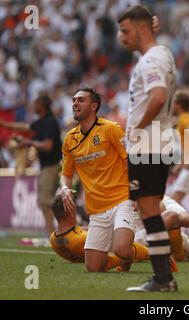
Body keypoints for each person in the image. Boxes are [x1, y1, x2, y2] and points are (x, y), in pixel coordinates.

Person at [117, 5, 177, 292]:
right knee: (150, 209)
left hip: (148, 143)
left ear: (141, 29)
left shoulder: (149, 61)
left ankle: (163, 279)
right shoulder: (162, 53)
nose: (120, 36)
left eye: (125, 30)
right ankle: (164, 278)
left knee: (149, 210)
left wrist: (137, 129)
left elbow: (157, 96)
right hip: (160, 141)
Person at [60, 86, 146, 273]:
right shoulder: (69, 139)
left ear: (94, 106)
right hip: (96, 208)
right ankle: (127, 259)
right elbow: (66, 174)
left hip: (122, 199)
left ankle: (152, 255)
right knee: (93, 268)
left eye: (81, 100)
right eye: (74, 100)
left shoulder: (111, 129)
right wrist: (65, 189)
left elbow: (133, 161)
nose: (75, 103)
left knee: (121, 248)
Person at [50, 195, 177, 272]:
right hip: (126, 243)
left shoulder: (54, 239)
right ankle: (163, 255)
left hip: (119, 239)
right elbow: (117, 249)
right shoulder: (81, 238)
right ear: (70, 210)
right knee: (170, 217)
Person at [0, 93, 62, 235]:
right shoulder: (41, 122)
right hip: (47, 167)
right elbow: (25, 127)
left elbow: (47, 146)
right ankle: (52, 232)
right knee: (45, 201)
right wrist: (5, 124)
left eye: (35, 103)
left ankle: (52, 233)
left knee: (45, 201)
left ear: (41, 105)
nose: (33, 106)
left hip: (52, 166)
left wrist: (28, 142)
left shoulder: (49, 122)